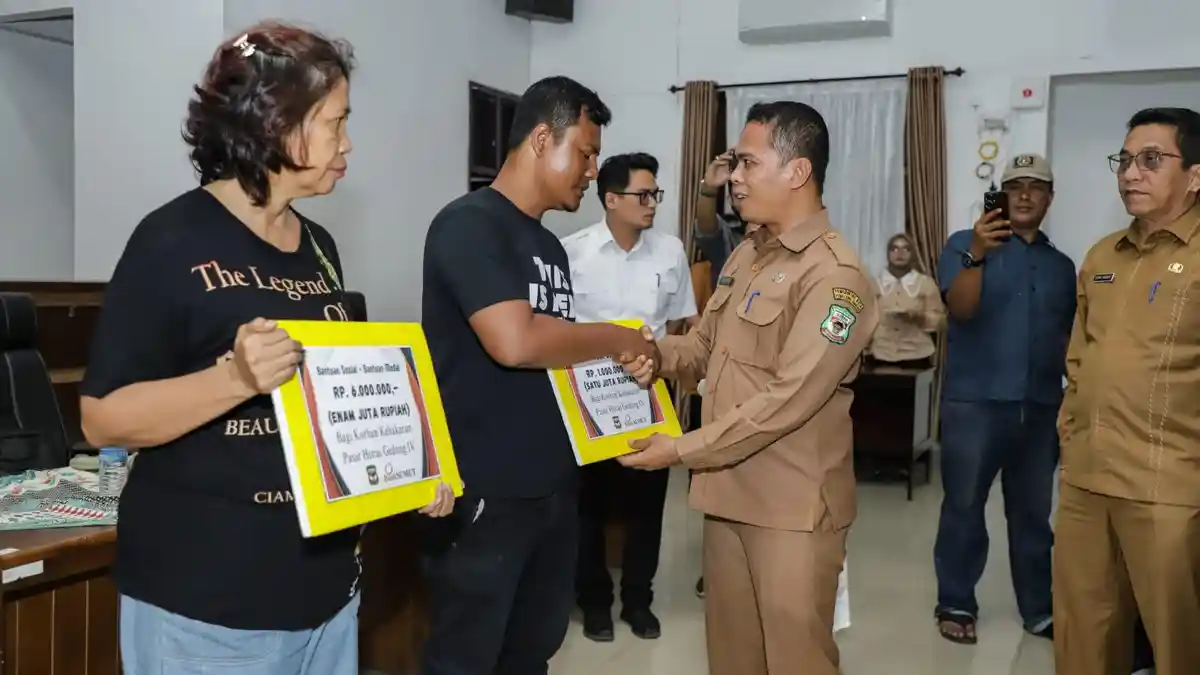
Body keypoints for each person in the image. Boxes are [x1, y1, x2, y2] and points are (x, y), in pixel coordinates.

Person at [77, 23, 454, 675]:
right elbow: (102, 417)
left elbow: (330, 406)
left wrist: (406, 470)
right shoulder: (170, 240)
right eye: (336, 123)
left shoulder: (319, 248)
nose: (348, 143)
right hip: (209, 608)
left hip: (325, 594)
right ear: (279, 124)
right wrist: (234, 377)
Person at [619, 101, 877, 675]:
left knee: (795, 662)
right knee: (732, 662)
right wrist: (655, 354)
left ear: (798, 172)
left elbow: (789, 399)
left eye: (747, 163)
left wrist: (679, 450)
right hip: (726, 495)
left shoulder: (837, 277)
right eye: (735, 163)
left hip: (792, 511)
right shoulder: (746, 257)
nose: (733, 176)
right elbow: (705, 347)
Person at [419, 76, 659, 675]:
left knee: (532, 651)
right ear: (541, 138)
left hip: (553, 488)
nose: (590, 170)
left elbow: (557, 356)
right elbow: (516, 342)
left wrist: (622, 378)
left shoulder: (549, 248)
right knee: (466, 657)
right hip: (483, 491)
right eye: (583, 152)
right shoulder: (469, 224)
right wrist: (616, 338)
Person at [1054, 107, 1200, 675]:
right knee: (1082, 634)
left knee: (1177, 644)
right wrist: (1071, 443)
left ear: (1194, 175)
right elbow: (1078, 359)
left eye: (1151, 160)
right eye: (1125, 160)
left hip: (1169, 485)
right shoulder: (1101, 256)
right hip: (1087, 481)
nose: (1130, 174)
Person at [932, 153, 1075, 644]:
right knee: (965, 507)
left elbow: (1070, 340)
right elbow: (962, 309)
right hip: (975, 405)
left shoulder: (1062, 266)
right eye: (1015, 186)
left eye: (1037, 187)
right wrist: (977, 252)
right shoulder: (962, 246)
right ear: (1001, 194)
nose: (1026, 195)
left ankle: (1038, 607)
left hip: (1039, 409)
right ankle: (955, 601)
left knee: (1034, 514)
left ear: (1050, 199)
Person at [560, 152, 697, 642]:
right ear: (611, 199)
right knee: (587, 506)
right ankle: (594, 601)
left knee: (647, 505)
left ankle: (639, 601)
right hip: (588, 394)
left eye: (656, 194)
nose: (653, 204)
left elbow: (683, 322)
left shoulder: (670, 252)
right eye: (643, 195)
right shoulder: (570, 252)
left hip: (647, 393)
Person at [867, 232, 946, 367]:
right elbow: (863, 320)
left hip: (917, 355)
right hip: (880, 354)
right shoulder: (873, 284)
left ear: (913, 253)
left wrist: (918, 317)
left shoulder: (925, 283)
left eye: (906, 249)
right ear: (888, 253)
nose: (900, 253)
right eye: (894, 248)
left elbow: (941, 321)